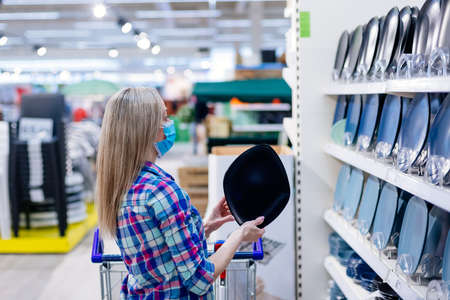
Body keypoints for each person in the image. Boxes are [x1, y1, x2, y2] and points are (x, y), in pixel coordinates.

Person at [96, 87, 265, 299]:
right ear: (148, 128)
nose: (169, 125)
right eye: (165, 118)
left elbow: (157, 253)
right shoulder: (161, 192)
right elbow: (200, 280)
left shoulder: (121, 187)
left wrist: (205, 227)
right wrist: (239, 235)